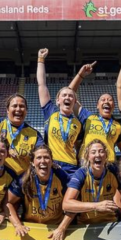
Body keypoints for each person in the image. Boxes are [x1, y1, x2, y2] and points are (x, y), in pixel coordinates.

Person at [6, 145, 75, 240]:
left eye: (46, 157)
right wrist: (18, 225)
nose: (43, 161)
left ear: (52, 161)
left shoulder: (62, 177)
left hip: (55, 230)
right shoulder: (24, 179)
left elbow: (74, 203)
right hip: (31, 229)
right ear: (32, 163)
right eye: (39, 158)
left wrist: (62, 228)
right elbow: (8, 202)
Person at [38, 48, 84, 177]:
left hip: (71, 166)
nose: (68, 98)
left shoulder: (78, 124)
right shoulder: (50, 112)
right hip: (51, 163)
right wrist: (41, 60)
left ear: (75, 102)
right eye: (64, 95)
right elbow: (42, 85)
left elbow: (79, 147)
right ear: (58, 101)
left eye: (71, 96)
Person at [70, 63, 121, 163]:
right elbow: (69, 94)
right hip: (86, 162)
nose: (106, 101)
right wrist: (80, 75)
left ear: (114, 106)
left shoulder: (118, 126)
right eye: (103, 100)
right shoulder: (88, 117)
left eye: (110, 100)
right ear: (97, 105)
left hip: (109, 163)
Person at [0, 94, 42, 176]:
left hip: (21, 182)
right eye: (14, 106)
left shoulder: (34, 134)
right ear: (7, 109)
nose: (18, 109)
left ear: (26, 110)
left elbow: (42, 155)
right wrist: (5, 152)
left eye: (22, 106)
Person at [63, 139, 121, 224]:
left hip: (110, 222)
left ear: (106, 155)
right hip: (85, 224)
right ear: (88, 156)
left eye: (101, 151)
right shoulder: (81, 173)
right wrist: (96, 206)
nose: (98, 155)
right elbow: (66, 204)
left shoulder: (113, 171)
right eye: (93, 152)